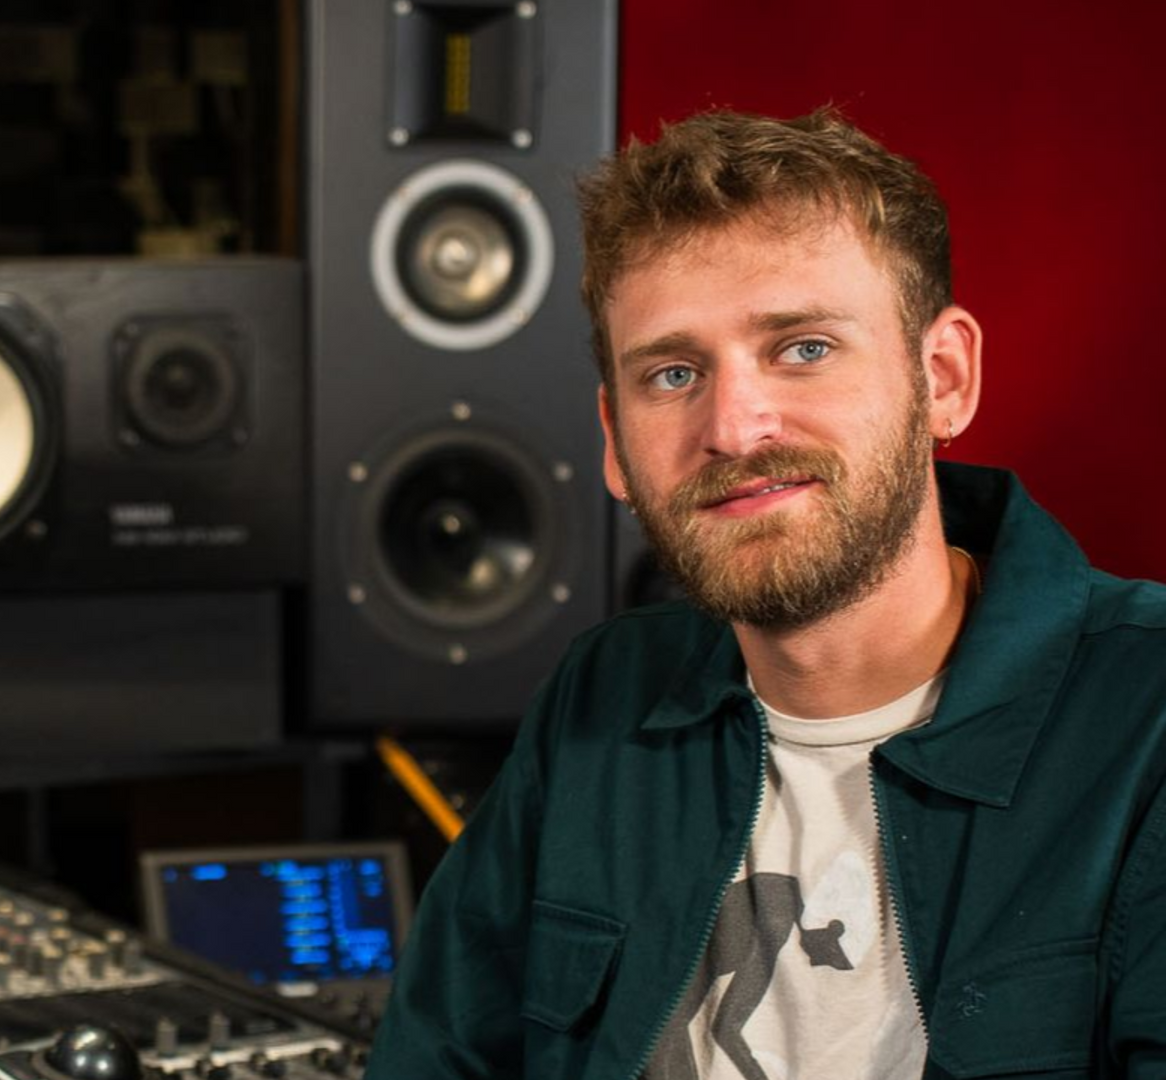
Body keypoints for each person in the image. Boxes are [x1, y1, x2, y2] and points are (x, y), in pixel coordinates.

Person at [363, 108, 1166, 1079]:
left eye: (803, 349)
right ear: (616, 444)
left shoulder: (1145, 718)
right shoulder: (602, 696)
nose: (735, 427)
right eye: (672, 372)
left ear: (943, 378)